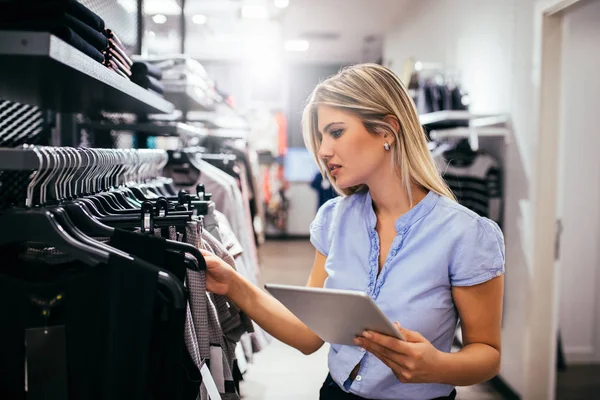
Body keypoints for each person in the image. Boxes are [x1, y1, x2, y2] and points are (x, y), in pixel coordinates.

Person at [200, 64, 505, 400]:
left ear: (387, 130)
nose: (323, 150)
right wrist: (232, 283)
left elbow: (486, 353)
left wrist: (436, 366)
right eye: (320, 137)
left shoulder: (466, 234)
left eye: (336, 132)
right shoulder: (334, 220)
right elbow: (307, 335)